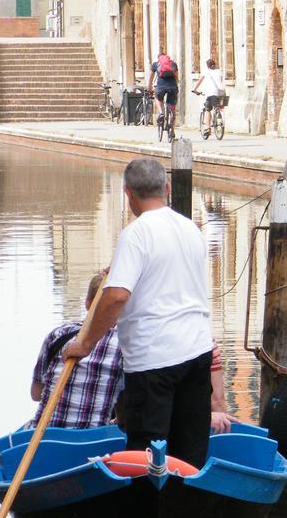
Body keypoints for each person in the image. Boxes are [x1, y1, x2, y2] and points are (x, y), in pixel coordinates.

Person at [63, 157, 233, 467]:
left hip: (154, 361)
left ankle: (147, 510)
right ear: (166, 188)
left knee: (146, 456)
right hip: (197, 355)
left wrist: (85, 344)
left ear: (127, 193)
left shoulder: (136, 234)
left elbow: (115, 297)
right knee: (189, 451)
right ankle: (185, 507)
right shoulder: (190, 228)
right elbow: (165, 278)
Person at [29, 272, 124, 429]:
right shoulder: (124, 345)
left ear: (87, 303)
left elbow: (36, 394)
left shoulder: (58, 335)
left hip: (46, 435)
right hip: (93, 440)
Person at [147, 52, 179, 127]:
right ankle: (172, 130)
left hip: (161, 87)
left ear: (159, 58)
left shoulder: (155, 64)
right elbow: (177, 77)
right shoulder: (173, 64)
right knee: (172, 107)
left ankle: (161, 112)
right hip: (173, 87)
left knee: (157, 98)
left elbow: (151, 78)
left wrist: (150, 88)